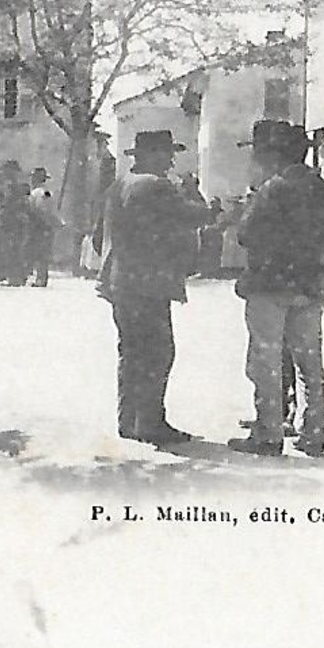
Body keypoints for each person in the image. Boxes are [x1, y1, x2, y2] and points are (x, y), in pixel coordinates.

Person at [227, 121, 324, 458]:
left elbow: (246, 233)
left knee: (266, 361)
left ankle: (268, 434)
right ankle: (314, 433)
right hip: (312, 285)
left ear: (274, 155)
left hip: (272, 284)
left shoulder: (273, 188)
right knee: (309, 361)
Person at [95, 130, 211, 445]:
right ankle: (150, 423)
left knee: (131, 352)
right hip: (148, 283)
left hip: (120, 281)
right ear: (147, 155)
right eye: (165, 152)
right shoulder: (156, 186)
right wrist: (206, 203)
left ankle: (128, 420)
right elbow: (193, 216)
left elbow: (97, 238)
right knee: (158, 353)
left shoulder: (117, 186)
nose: (171, 159)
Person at [26, 168, 61, 287]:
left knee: (39, 252)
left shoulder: (37, 193)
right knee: (43, 253)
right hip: (45, 226)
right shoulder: (47, 192)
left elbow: (41, 210)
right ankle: (41, 277)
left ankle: (40, 279)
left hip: (39, 226)